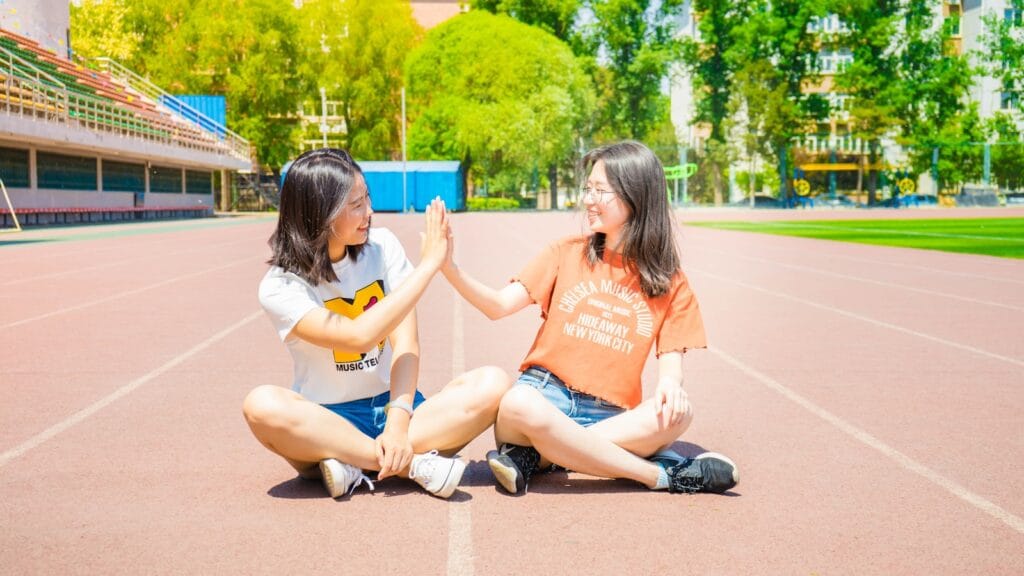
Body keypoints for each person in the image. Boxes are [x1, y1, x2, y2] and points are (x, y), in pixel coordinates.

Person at [440, 140, 738, 495]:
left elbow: (671, 369)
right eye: (588, 189)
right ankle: (663, 475)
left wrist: (671, 388)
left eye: (600, 191)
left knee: (679, 414)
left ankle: (538, 457)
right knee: (518, 402)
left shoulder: (670, 282)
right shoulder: (565, 254)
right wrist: (449, 267)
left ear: (635, 195)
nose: (587, 200)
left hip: (610, 416)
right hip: (540, 401)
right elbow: (498, 306)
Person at [243, 148, 511, 500]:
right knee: (262, 406)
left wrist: (398, 421)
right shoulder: (281, 286)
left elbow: (406, 344)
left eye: (366, 198)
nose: (369, 212)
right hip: (328, 422)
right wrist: (430, 265)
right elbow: (357, 337)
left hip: (397, 407)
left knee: (493, 383)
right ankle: (412, 465)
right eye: (355, 205)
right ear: (318, 213)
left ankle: (353, 465)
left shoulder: (382, 247)